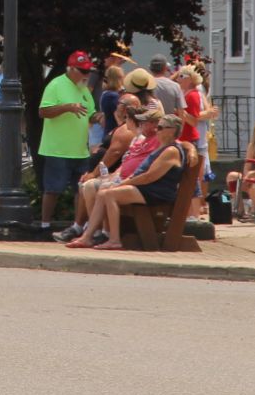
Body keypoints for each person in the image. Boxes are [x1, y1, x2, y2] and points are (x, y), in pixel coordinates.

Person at [62, 108, 169, 247]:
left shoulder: (159, 141)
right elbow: (126, 164)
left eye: (144, 121)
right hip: (129, 180)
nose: (140, 124)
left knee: (105, 190)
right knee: (91, 186)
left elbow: (179, 145)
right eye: (140, 121)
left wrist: (122, 181)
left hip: (145, 187)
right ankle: (93, 234)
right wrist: (112, 177)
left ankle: (108, 235)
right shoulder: (143, 140)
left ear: (156, 124)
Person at [37, 50, 98, 227]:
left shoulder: (84, 89)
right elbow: (43, 111)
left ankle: (77, 226)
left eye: (88, 71)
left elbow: (90, 113)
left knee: (81, 190)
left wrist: (98, 117)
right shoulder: (55, 85)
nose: (86, 75)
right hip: (57, 149)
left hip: (80, 150)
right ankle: (45, 225)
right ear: (70, 69)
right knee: (53, 189)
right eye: (83, 71)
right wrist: (68, 107)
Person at [147, 56, 189, 134]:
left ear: (150, 69)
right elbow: (181, 113)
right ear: (165, 68)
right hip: (168, 129)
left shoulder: (145, 85)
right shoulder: (175, 86)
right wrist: (179, 132)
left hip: (149, 129)